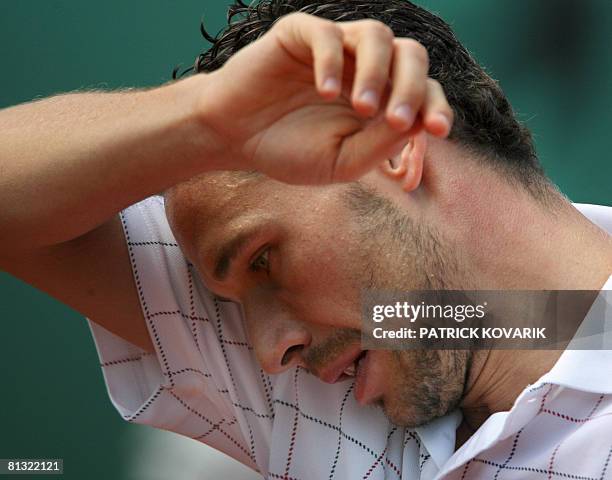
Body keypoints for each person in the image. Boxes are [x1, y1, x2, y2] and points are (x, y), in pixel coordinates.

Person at [0, 0, 610, 479]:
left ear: (393, 148)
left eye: (264, 261)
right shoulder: (365, 349)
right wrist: (204, 118)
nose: (270, 349)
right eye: (237, 299)